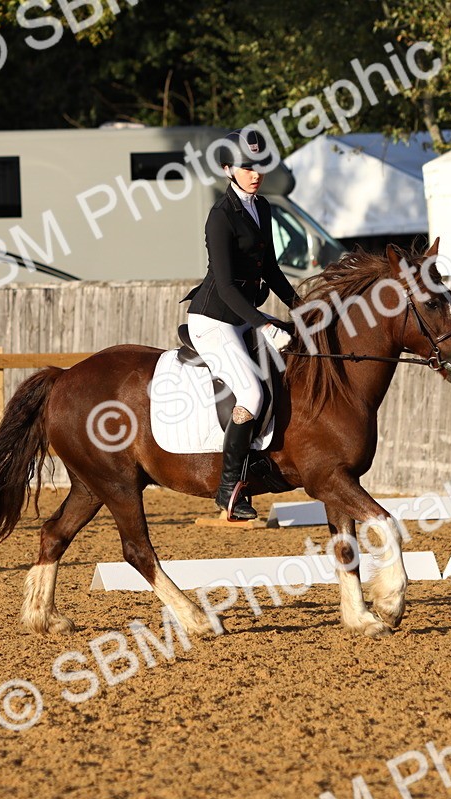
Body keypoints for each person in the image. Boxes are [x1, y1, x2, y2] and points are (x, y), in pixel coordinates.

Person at [181, 129, 302, 520]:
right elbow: (228, 286)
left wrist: (299, 308)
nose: (254, 173)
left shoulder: (261, 207)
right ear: (228, 168)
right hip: (214, 318)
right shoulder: (220, 216)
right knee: (251, 394)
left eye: (259, 166)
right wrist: (264, 325)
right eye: (246, 167)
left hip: (243, 316)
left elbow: (272, 269)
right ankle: (229, 488)